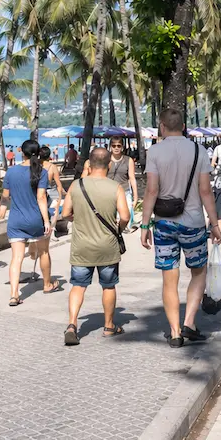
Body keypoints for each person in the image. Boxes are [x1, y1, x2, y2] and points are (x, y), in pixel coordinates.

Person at [140, 107, 221, 348]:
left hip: (164, 224)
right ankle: (189, 322)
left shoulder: (155, 151)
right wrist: (215, 224)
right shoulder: (199, 151)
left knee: (170, 279)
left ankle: (175, 332)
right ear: (184, 127)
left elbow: (152, 191)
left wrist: (145, 225)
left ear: (162, 127)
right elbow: (206, 191)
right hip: (194, 224)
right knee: (198, 273)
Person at [62, 146, 131, 345]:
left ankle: (72, 324)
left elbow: (66, 213)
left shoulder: (76, 185)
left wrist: (79, 218)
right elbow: (125, 216)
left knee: (78, 286)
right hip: (107, 246)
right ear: (109, 165)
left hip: (82, 246)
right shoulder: (115, 187)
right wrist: (119, 228)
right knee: (108, 286)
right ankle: (109, 326)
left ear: (89, 164)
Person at [0, 139, 61, 306]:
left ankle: (14, 294)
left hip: (16, 220)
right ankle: (47, 285)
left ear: (21, 152)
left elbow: (5, 197)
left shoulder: (11, 172)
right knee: (44, 252)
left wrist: (2, 209)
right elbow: (41, 198)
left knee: (16, 258)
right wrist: (47, 221)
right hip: (35, 220)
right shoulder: (40, 172)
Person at [107, 136, 139, 231]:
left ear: (122, 147)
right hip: (109, 192)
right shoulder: (106, 159)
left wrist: (136, 196)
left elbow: (132, 178)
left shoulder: (128, 160)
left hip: (125, 191)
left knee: (126, 216)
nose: (116, 148)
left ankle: (121, 230)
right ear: (110, 147)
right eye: (114, 146)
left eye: (118, 145)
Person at [40, 145, 66, 228]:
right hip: (48, 191)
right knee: (56, 209)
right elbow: (58, 184)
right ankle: (52, 229)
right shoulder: (52, 167)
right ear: (49, 155)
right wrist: (61, 196)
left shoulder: (35, 165)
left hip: (36, 191)